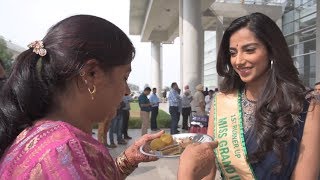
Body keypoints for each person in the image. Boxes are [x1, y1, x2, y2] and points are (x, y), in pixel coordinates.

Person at [0, 15, 218, 179]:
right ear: (91, 74)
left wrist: (128, 159)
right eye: (124, 77)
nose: (125, 91)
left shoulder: (39, 132)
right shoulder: (65, 151)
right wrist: (189, 174)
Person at [203, 12, 320, 180]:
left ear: (272, 51)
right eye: (233, 52)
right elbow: (209, 166)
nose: (238, 61)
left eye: (249, 50)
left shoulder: (307, 105)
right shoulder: (222, 102)